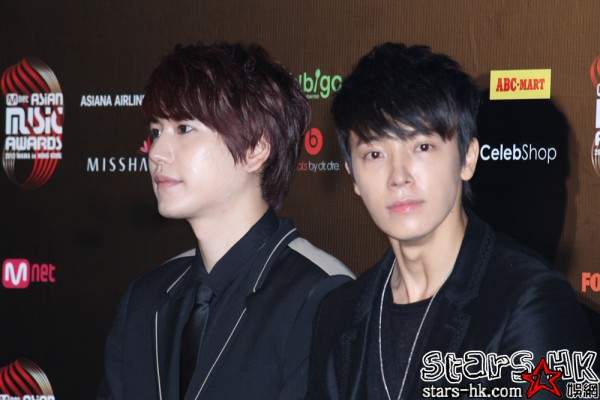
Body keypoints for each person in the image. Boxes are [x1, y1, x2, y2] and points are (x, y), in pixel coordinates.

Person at [306, 43, 598, 400]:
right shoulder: (339, 312)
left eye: (422, 147)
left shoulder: (529, 304)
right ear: (352, 174)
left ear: (467, 159)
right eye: (375, 153)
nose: (398, 176)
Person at [98, 42, 353, 400]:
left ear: (255, 149)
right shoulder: (145, 299)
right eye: (156, 131)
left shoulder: (321, 297)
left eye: (184, 129)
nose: (156, 153)